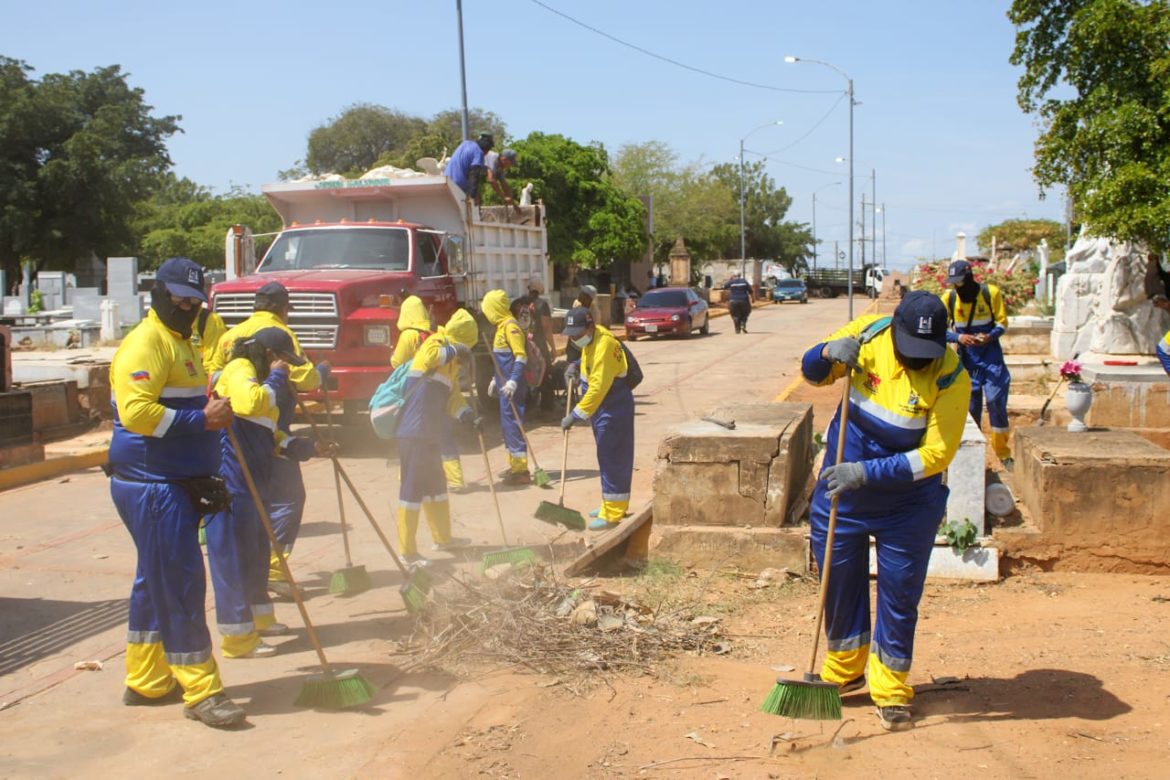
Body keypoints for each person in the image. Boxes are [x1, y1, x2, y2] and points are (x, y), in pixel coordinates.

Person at [800, 290, 971, 731]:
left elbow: (936, 454)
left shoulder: (952, 377)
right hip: (843, 496)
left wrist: (867, 473)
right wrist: (824, 353)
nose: (919, 361)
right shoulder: (866, 337)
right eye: (911, 350)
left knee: (898, 596)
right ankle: (843, 670)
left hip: (907, 505)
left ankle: (890, 687)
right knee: (837, 582)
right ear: (893, 329)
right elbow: (812, 373)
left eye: (927, 354)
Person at [107, 257, 244, 728]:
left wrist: (205, 410)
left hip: (174, 481)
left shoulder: (182, 341)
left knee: (155, 579)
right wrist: (202, 421)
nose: (188, 309)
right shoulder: (146, 343)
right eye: (180, 301)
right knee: (182, 583)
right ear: (158, 296)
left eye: (194, 303)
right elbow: (137, 414)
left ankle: (146, 680)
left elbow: (182, 401)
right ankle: (201, 690)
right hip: (153, 485)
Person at [206, 328, 335, 660]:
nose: (287, 369)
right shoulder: (239, 371)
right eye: (283, 362)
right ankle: (238, 639)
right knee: (235, 559)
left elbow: (274, 437)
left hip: (256, 483)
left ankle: (261, 618)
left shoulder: (261, 380)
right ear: (268, 355)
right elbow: (250, 404)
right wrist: (278, 379)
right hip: (231, 483)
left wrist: (308, 447)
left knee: (258, 553)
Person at [208, 282, 327, 596]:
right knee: (287, 497)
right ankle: (272, 568)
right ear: (282, 308)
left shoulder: (229, 336)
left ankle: (261, 576)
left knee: (257, 501)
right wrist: (321, 375)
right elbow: (300, 376)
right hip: (264, 424)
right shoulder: (279, 334)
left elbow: (212, 374)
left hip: (239, 426)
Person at [395, 308, 480, 566]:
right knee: (412, 490)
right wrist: (454, 349)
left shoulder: (450, 366)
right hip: (414, 431)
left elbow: (453, 397)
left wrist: (466, 415)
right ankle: (407, 552)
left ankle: (443, 538)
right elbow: (429, 357)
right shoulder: (436, 342)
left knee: (436, 488)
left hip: (431, 433)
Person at [560, 307, 635, 531]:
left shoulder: (605, 344)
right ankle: (609, 502)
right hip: (602, 407)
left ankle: (613, 512)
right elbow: (590, 369)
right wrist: (574, 368)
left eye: (577, 333)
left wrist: (576, 414)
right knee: (605, 455)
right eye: (571, 334)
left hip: (614, 406)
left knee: (613, 457)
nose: (574, 338)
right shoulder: (592, 341)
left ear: (590, 327)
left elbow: (598, 387)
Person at [942, 260, 1012, 465]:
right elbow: (939, 329)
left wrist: (989, 336)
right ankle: (972, 458)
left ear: (970, 277)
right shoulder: (950, 298)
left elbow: (1002, 322)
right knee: (970, 409)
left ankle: (1003, 453)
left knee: (995, 401)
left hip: (991, 360)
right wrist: (958, 338)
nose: (958, 287)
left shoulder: (990, 293)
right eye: (954, 283)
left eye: (960, 282)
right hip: (967, 361)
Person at [392, 295, 466, 491]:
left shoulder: (409, 335)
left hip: (414, 391)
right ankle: (456, 480)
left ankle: (408, 478)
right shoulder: (434, 335)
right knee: (443, 434)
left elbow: (397, 363)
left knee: (411, 436)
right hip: (437, 392)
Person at [482, 289, 531, 485]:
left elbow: (521, 356)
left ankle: (521, 471)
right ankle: (515, 465)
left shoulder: (511, 327)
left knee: (513, 424)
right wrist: (497, 379)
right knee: (507, 425)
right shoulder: (501, 327)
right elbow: (502, 360)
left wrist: (512, 381)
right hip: (505, 384)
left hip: (513, 386)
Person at [524, 275, 556, 411]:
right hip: (539, 344)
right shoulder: (542, 305)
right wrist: (553, 348)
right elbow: (546, 328)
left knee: (526, 373)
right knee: (546, 373)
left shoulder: (521, 303)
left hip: (524, 343)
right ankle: (547, 408)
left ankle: (528, 405)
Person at [443, 132, 494, 203]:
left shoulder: (465, 144)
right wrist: (472, 195)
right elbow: (474, 174)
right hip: (459, 186)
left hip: (446, 179)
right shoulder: (479, 152)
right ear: (486, 149)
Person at [567, 284, 602, 364]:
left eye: (583, 294)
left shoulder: (593, 312)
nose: (580, 294)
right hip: (573, 346)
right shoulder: (578, 304)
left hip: (583, 348)